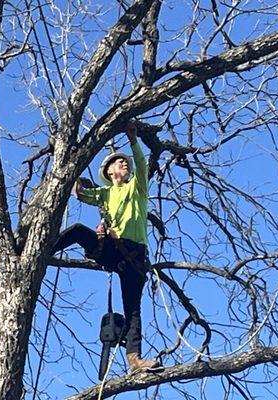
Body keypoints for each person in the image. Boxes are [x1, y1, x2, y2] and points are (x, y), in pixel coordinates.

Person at [53, 121, 161, 372]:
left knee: (133, 309)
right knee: (79, 231)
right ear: (110, 171)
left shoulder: (137, 188)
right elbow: (79, 193)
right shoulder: (104, 193)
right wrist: (73, 175)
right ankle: (42, 251)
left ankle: (134, 358)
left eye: (125, 162)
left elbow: (142, 165)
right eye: (119, 162)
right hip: (113, 249)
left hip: (135, 256)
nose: (124, 164)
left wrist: (133, 140)